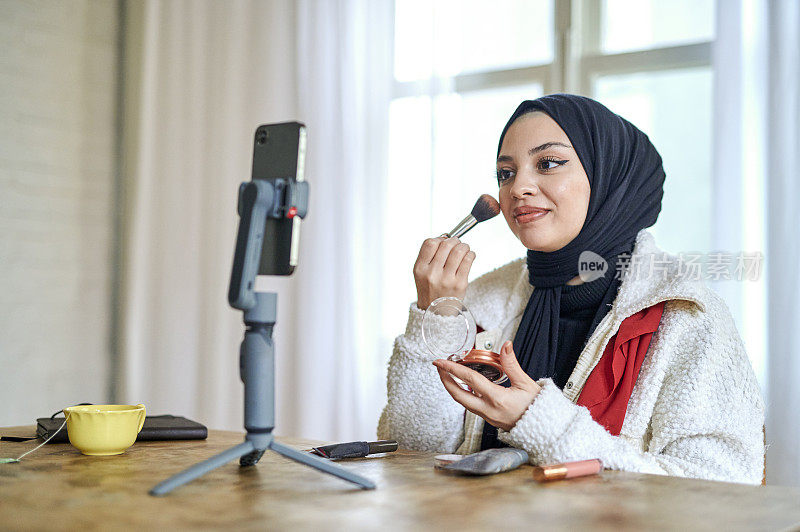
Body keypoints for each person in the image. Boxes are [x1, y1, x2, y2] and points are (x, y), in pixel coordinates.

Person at [377, 94, 765, 485]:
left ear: (609, 176)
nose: (517, 188)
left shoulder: (687, 314)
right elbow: (412, 452)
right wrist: (436, 314)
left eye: (547, 163)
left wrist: (537, 420)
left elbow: (719, 488)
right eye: (505, 173)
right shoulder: (480, 302)